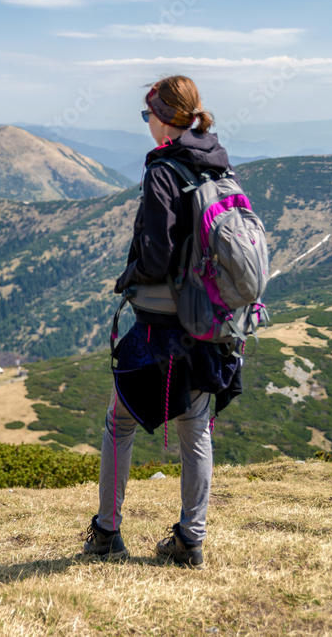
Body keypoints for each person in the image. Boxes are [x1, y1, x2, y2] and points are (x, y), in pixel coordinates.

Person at [80, 75, 242, 569]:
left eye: (146, 114)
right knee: (197, 430)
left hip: (161, 327)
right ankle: (190, 541)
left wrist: (127, 277)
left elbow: (156, 254)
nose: (145, 123)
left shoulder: (163, 171)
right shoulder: (219, 163)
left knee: (118, 423)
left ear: (163, 117)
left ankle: (107, 533)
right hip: (210, 321)